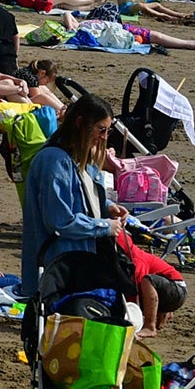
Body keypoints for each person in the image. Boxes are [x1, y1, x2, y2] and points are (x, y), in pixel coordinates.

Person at [18, 95, 123, 302]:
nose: (104, 137)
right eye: (100, 130)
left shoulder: (79, 155)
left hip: (78, 262)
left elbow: (82, 194)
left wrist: (107, 207)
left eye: (107, 131)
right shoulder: (54, 162)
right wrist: (105, 226)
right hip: (57, 267)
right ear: (80, 124)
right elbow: (60, 220)